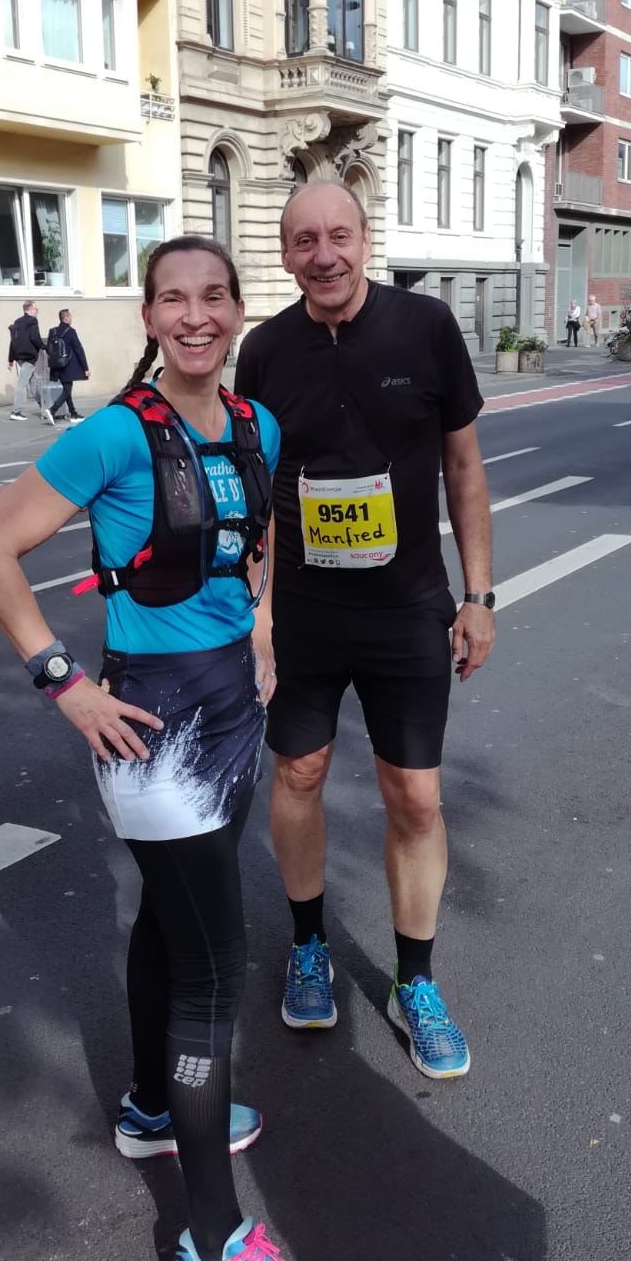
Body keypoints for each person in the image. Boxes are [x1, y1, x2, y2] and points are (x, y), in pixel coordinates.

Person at [0, 236, 342, 1261]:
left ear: (236, 310)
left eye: (213, 297)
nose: (195, 316)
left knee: (175, 932)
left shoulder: (256, 423)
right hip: (151, 729)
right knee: (212, 975)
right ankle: (212, 1250)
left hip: (231, 708)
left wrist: (260, 625)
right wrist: (64, 683)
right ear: (148, 316)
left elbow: (257, 542)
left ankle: (147, 1109)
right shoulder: (116, 432)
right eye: (173, 299)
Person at [235, 180, 494, 1082]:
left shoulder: (426, 327)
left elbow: (464, 466)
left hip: (407, 607)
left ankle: (414, 982)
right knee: (298, 773)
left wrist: (479, 595)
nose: (324, 255)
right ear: (286, 253)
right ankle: (309, 947)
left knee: (414, 798)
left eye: (338, 236)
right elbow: (256, 491)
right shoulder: (265, 350)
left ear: (365, 238)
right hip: (306, 612)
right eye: (305, 240)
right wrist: (259, 611)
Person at [44, 308, 90, 427]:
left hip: (56, 366)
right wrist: (85, 367)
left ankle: (73, 413)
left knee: (66, 389)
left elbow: (48, 349)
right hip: (67, 365)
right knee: (67, 390)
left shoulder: (53, 331)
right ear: (66, 318)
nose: (71, 318)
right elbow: (78, 349)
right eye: (70, 316)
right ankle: (52, 410)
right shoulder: (71, 331)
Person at [7, 300, 46, 420]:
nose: (37, 311)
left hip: (19, 357)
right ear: (29, 310)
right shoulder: (33, 321)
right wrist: (45, 347)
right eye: (36, 309)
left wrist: (11, 359)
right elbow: (35, 338)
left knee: (33, 383)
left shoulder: (17, 322)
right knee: (22, 384)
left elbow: (13, 341)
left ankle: (45, 408)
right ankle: (16, 412)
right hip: (29, 357)